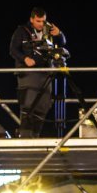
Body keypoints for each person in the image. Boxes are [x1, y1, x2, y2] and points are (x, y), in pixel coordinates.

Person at [9, 7, 67, 138]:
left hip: (46, 73)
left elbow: (63, 44)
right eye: (38, 21)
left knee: (43, 105)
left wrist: (59, 34)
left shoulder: (49, 29)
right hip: (28, 73)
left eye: (43, 21)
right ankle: (25, 137)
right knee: (29, 105)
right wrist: (25, 58)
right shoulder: (22, 31)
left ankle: (35, 136)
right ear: (32, 19)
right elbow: (13, 50)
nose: (41, 24)